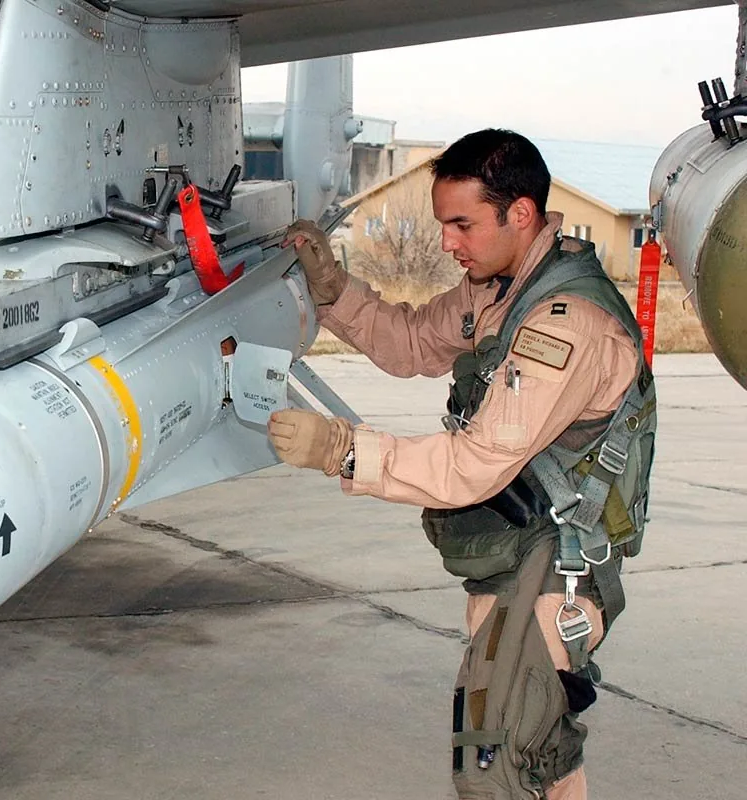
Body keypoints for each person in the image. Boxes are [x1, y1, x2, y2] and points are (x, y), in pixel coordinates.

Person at [269, 129, 656, 800]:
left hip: (550, 570)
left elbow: (476, 463)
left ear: (521, 214)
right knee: (544, 757)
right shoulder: (502, 289)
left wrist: (345, 449)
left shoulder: (565, 322)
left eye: (462, 224)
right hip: (517, 556)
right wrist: (333, 292)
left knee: (497, 764)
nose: (448, 241)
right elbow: (414, 341)